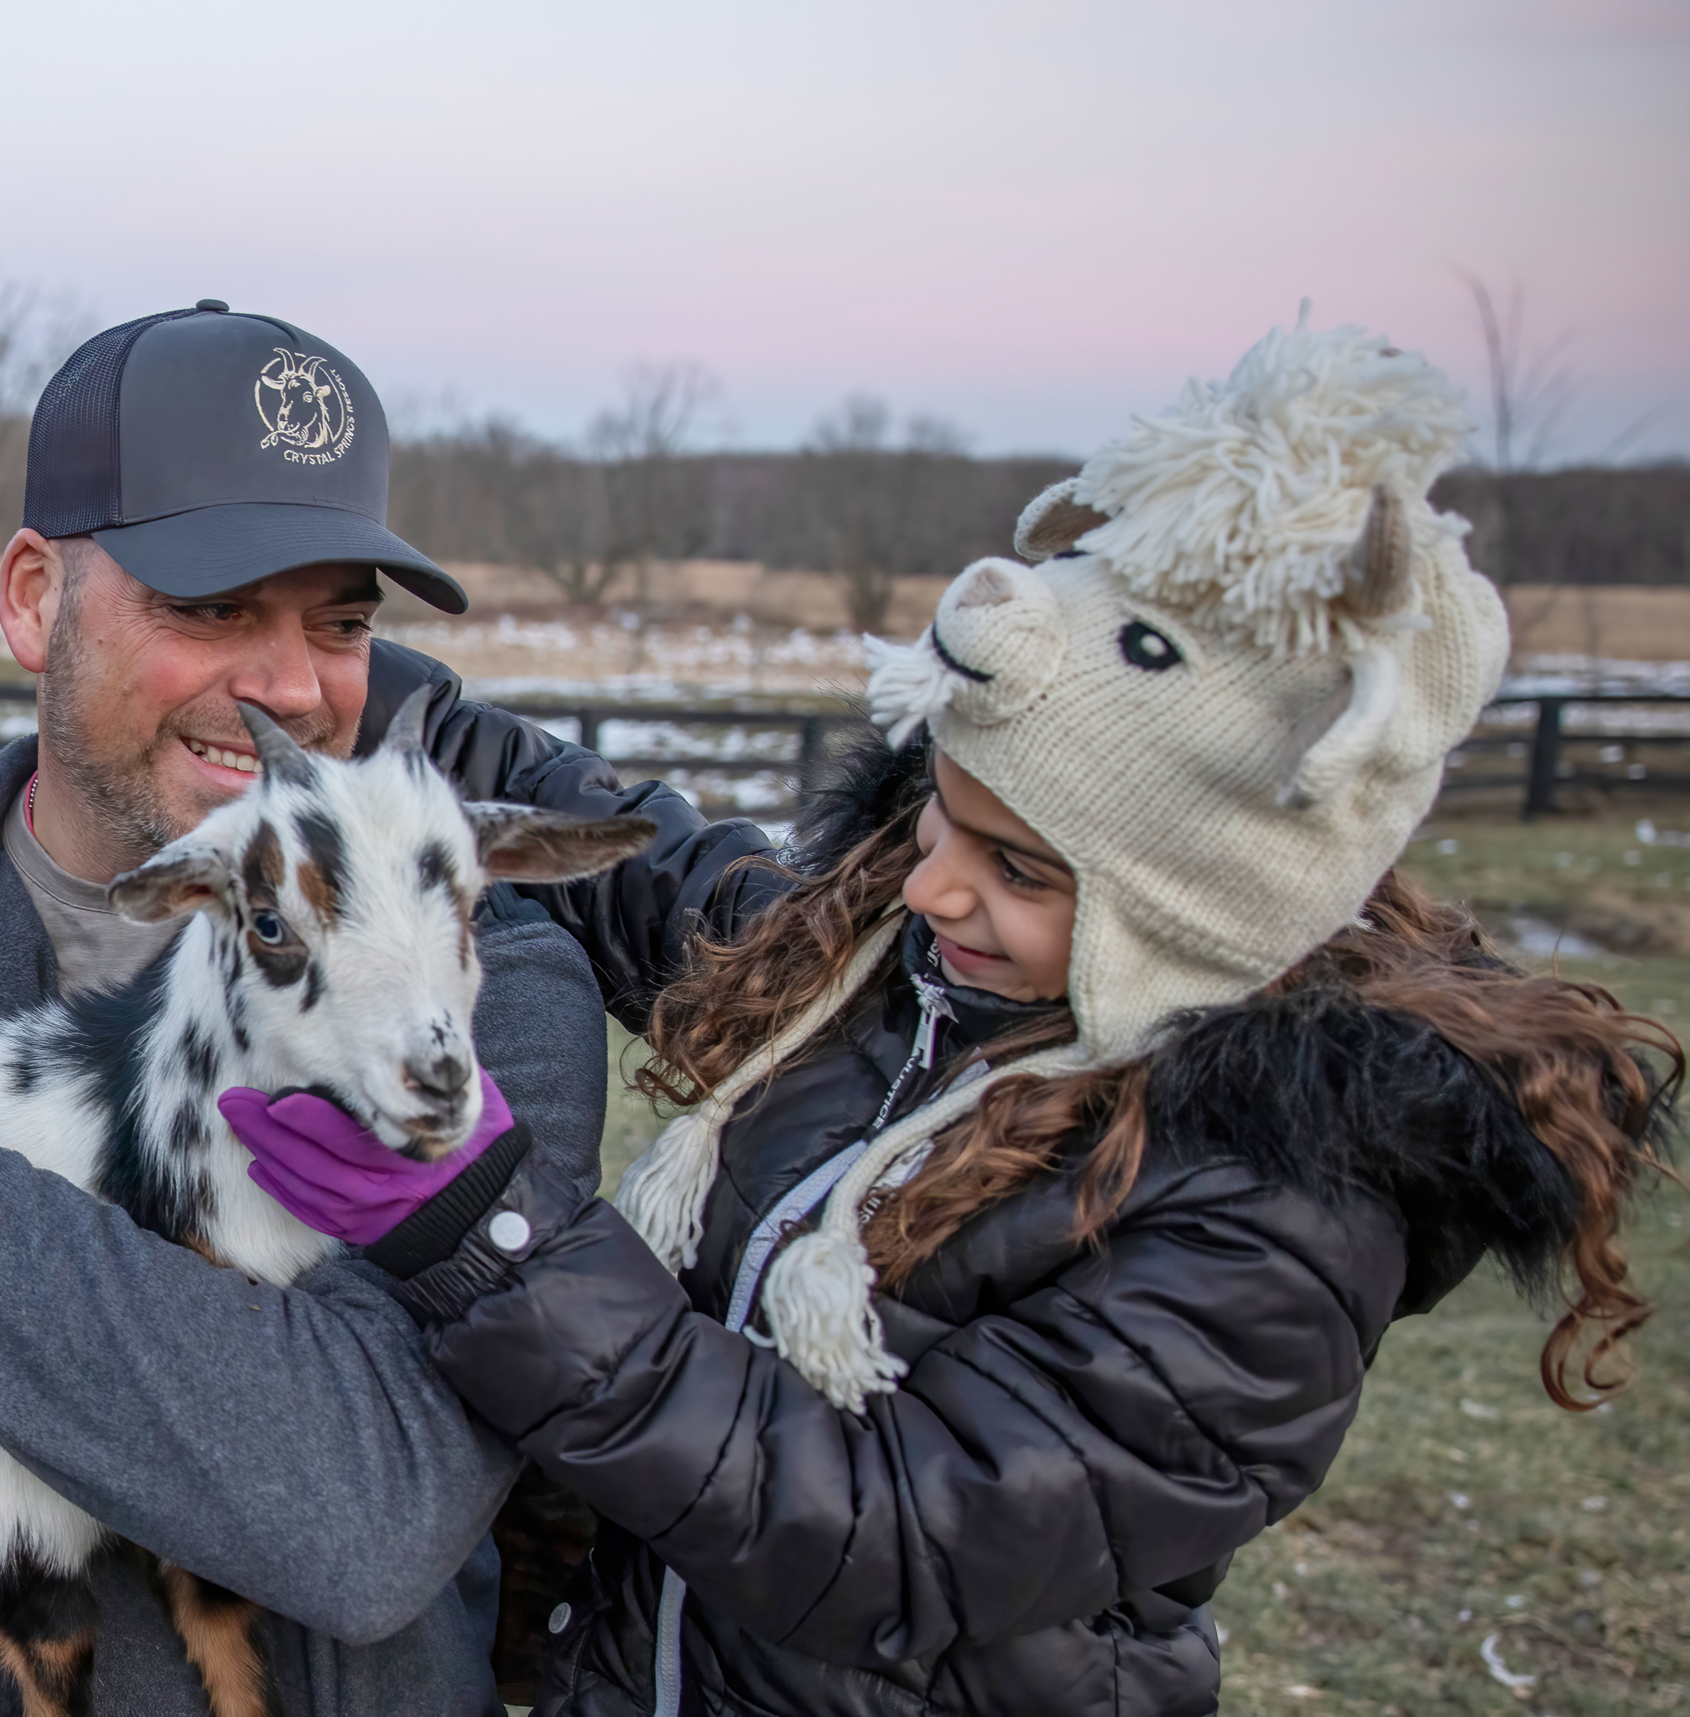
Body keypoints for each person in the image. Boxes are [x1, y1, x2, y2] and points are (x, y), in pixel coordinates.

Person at [221, 320, 1680, 1715]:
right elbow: (647, 865)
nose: (929, 889)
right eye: (938, 817)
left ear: (1195, 911)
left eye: (1017, 868)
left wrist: (493, 1248)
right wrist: (346, 685)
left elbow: (877, 1535)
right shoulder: (890, 979)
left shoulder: (1270, 1229)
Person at [0, 304, 763, 1716]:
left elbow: (368, 1519)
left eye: (340, 622)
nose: (293, 684)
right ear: (37, 598)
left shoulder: (489, 985)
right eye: (212, 610)